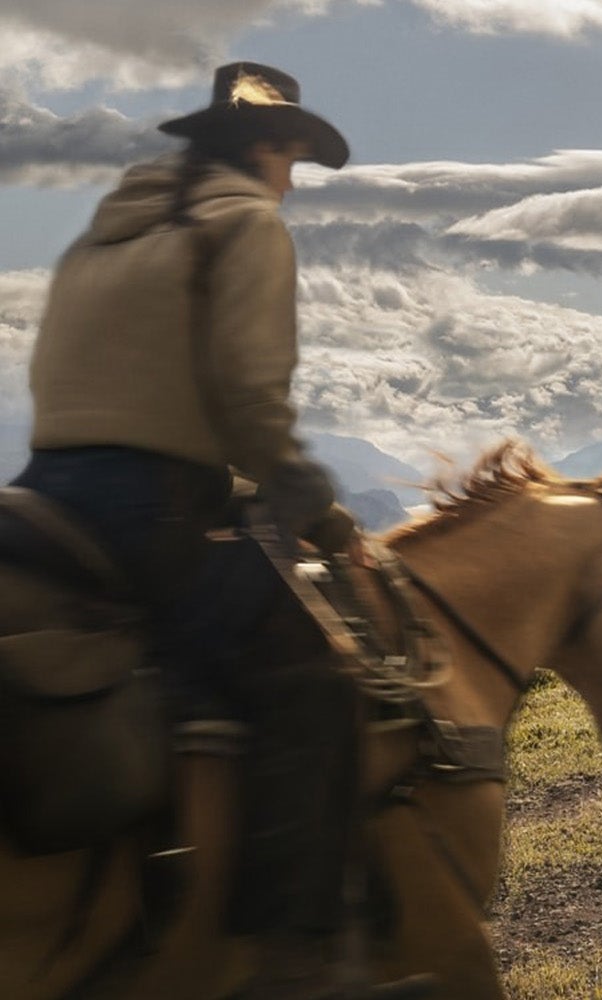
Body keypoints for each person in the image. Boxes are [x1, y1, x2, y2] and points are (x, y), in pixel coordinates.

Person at [12, 63, 426, 999]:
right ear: (264, 147)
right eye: (292, 157)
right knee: (315, 682)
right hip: (148, 505)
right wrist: (316, 509)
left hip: (45, 495)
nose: (292, 179)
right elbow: (248, 398)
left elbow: (105, 395)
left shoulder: (105, 238)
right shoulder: (246, 223)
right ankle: (297, 961)